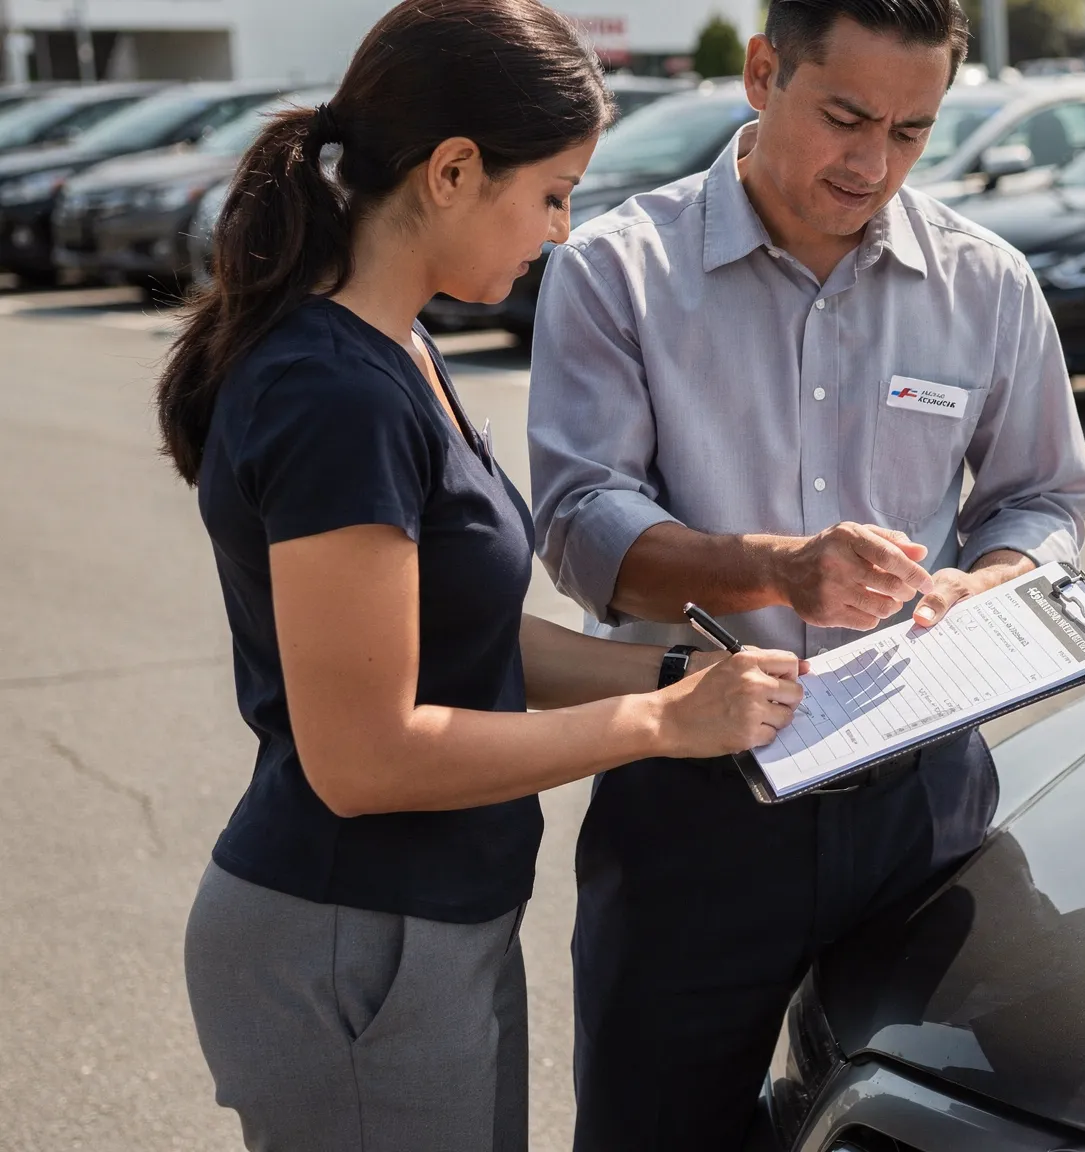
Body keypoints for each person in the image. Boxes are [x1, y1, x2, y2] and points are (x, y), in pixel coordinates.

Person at [156, 1, 805, 1147]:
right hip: (352, 940)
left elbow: (461, 641)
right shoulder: (333, 393)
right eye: (551, 193)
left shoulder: (397, 348)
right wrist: (660, 722)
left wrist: (670, 668)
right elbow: (366, 757)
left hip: (421, 926)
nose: (561, 233)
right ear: (453, 171)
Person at [525, 0, 1085, 1143]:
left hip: (920, 799)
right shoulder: (613, 271)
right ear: (760, 73)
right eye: (845, 117)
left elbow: (1041, 497)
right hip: (697, 801)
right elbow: (582, 524)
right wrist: (780, 571)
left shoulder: (984, 283)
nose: (872, 162)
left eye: (911, 131)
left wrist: (980, 584)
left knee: (936, 1127)